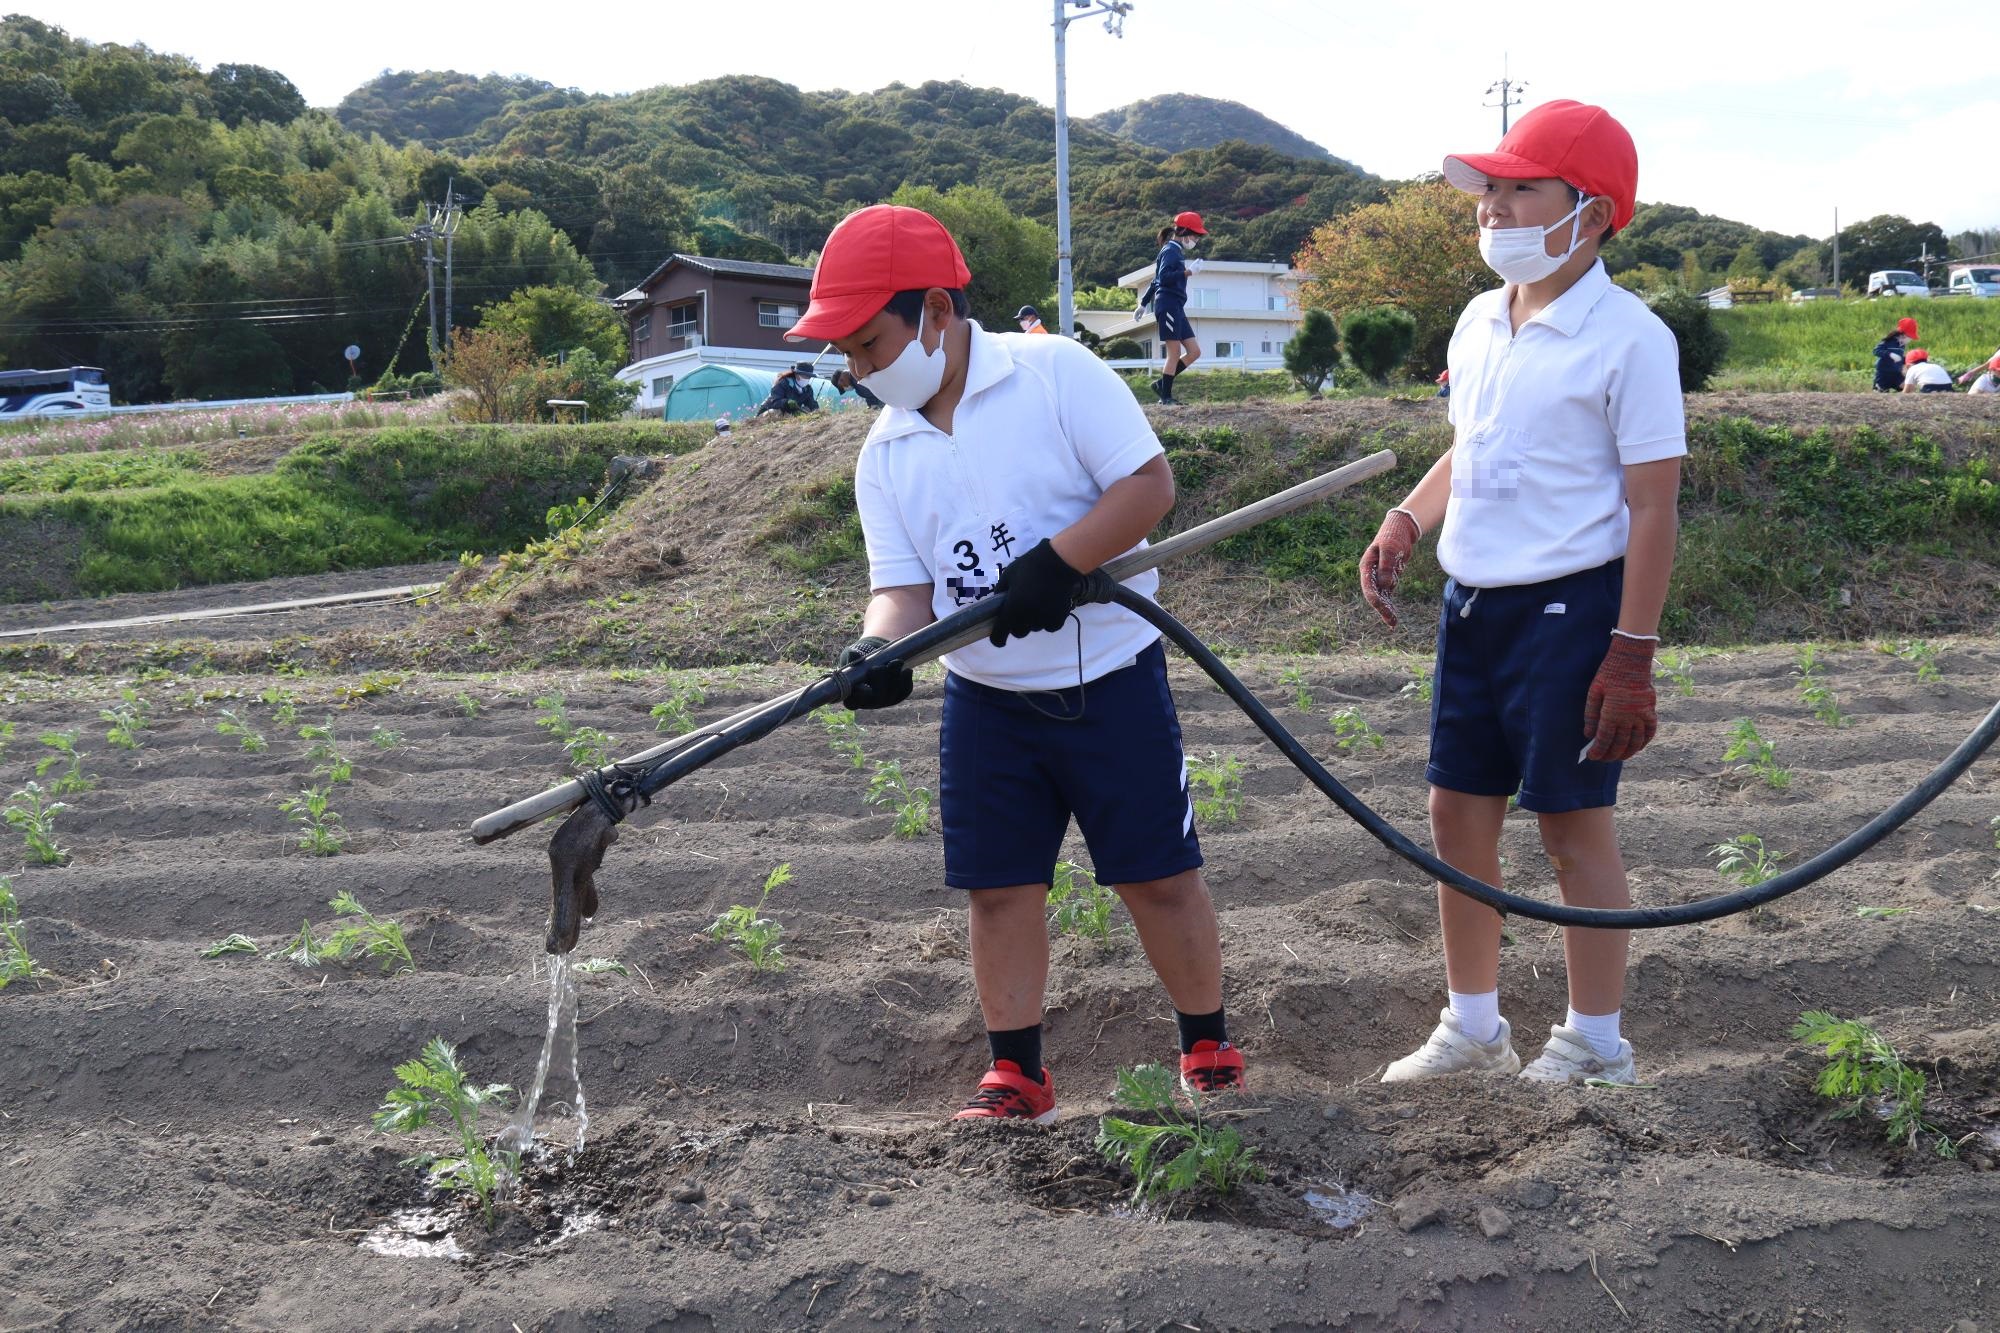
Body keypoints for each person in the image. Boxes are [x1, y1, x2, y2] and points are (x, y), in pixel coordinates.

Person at [783, 203, 1243, 1122]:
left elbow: (1148, 486)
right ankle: (1017, 1072)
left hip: (1111, 678)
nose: (859, 369)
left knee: (1156, 874)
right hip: (989, 699)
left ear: (938, 314)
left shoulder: (1053, 374)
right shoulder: (887, 452)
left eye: (870, 343)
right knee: (998, 890)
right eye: (848, 353)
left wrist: (1062, 560)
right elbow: (903, 587)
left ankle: (1206, 1042)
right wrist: (877, 647)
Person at [1359, 100, 1685, 1088]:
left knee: (1568, 825)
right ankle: (1472, 1026)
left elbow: (1653, 506)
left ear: (1588, 213)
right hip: (1473, 603)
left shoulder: (1629, 338)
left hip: (1569, 607)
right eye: (1488, 190)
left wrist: (1631, 650)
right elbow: (1474, 443)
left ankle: (1594, 1041)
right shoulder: (1476, 321)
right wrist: (1410, 517)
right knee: (1455, 815)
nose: (1493, 208)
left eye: (1517, 189)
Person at [1144, 212, 1207, 404]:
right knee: (1174, 353)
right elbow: (1163, 279)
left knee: (1194, 351)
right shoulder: (1171, 250)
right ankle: (1166, 398)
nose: (1196, 240)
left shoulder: (1175, 251)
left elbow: (1156, 279)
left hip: (1176, 306)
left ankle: (1162, 385)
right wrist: (1188, 272)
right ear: (1185, 232)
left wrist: (1143, 302)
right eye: (1195, 235)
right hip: (1168, 304)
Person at [1874, 317, 1918, 392]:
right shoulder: (1888, 341)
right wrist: (1890, 354)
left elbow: (1899, 358)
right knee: (1880, 394)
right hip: (1884, 373)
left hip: (1896, 373)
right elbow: (1876, 351)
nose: (1910, 340)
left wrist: (1911, 361)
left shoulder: (1902, 345)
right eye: (1910, 337)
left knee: (1909, 389)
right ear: (1903, 335)